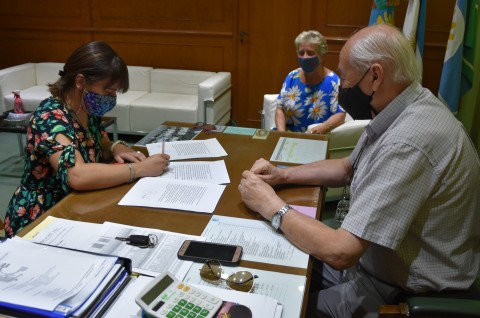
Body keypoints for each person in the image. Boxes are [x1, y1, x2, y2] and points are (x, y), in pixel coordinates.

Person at [239, 24, 480, 317]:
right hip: (372, 265)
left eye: (344, 75)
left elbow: (342, 251)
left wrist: (270, 205)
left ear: (375, 76)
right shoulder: (400, 107)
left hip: (399, 291)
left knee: (280, 307)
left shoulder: (407, 141)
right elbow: (346, 167)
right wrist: (283, 175)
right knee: (271, 267)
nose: (341, 84)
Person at [4, 41, 170, 237]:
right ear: (80, 81)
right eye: (108, 90)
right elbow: (77, 175)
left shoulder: (85, 109)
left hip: (80, 204)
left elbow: (99, 142)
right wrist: (139, 169)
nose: (112, 96)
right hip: (44, 215)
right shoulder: (50, 117)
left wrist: (116, 147)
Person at [275, 30, 346, 134]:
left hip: (318, 136)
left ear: (322, 55)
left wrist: (324, 127)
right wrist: (281, 134)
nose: (305, 57)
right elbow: (279, 109)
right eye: (301, 53)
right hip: (289, 135)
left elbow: (340, 114)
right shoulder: (292, 77)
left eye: (310, 53)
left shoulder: (333, 81)